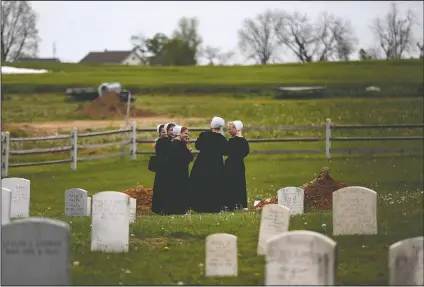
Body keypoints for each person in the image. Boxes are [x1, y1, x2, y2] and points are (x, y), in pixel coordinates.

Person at [189, 116, 228, 213]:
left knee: (201, 183)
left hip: (202, 162)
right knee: (214, 184)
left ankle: (199, 206)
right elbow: (225, 151)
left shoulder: (204, 135)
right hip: (216, 164)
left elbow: (197, 146)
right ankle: (214, 206)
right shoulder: (222, 139)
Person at [161, 125, 194, 215]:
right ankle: (178, 209)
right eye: (186, 133)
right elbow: (188, 158)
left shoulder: (178, 144)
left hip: (179, 171)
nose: (188, 135)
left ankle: (177, 209)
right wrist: (189, 150)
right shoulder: (177, 145)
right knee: (178, 190)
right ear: (179, 133)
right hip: (178, 172)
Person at [224, 120, 250, 210]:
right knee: (240, 184)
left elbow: (226, 151)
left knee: (230, 184)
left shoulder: (232, 141)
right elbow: (246, 152)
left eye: (230, 129)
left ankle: (230, 204)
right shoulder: (244, 141)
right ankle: (241, 204)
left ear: (236, 129)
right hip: (239, 164)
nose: (229, 131)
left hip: (230, 164)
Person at [151, 122, 175, 214]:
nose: (172, 132)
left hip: (169, 169)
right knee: (161, 188)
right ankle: (160, 208)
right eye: (170, 130)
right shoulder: (162, 141)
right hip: (163, 169)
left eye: (174, 129)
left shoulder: (172, 141)